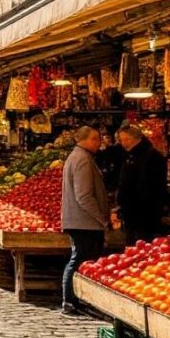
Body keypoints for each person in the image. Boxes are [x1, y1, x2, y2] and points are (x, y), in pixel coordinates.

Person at [60, 125, 110, 316]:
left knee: (80, 258)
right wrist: (103, 218)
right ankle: (71, 301)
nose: (99, 143)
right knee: (80, 259)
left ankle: (74, 299)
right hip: (84, 221)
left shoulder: (78, 157)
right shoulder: (83, 160)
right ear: (86, 140)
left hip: (79, 220)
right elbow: (84, 196)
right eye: (96, 139)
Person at [116, 124, 168, 243]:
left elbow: (147, 187)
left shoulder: (151, 156)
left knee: (141, 243)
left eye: (126, 139)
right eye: (122, 140)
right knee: (132, 245)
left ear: (136, 138)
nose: (123, 143)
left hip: (143, 214)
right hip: (132, 212)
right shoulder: (132, 155)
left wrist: (128, 202)